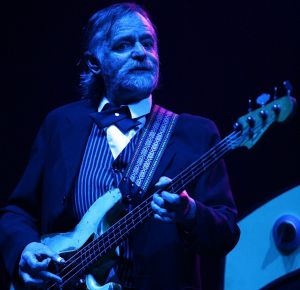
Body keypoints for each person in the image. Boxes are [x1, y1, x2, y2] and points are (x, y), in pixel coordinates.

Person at [0, 2, 240, 290]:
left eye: (148, 43)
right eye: (124, 45)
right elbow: (18, 211)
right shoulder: (61, 125)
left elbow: (226, 232)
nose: (141, 52)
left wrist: (189, 212)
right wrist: (25, 250)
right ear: (94, 63)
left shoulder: (196, 133)